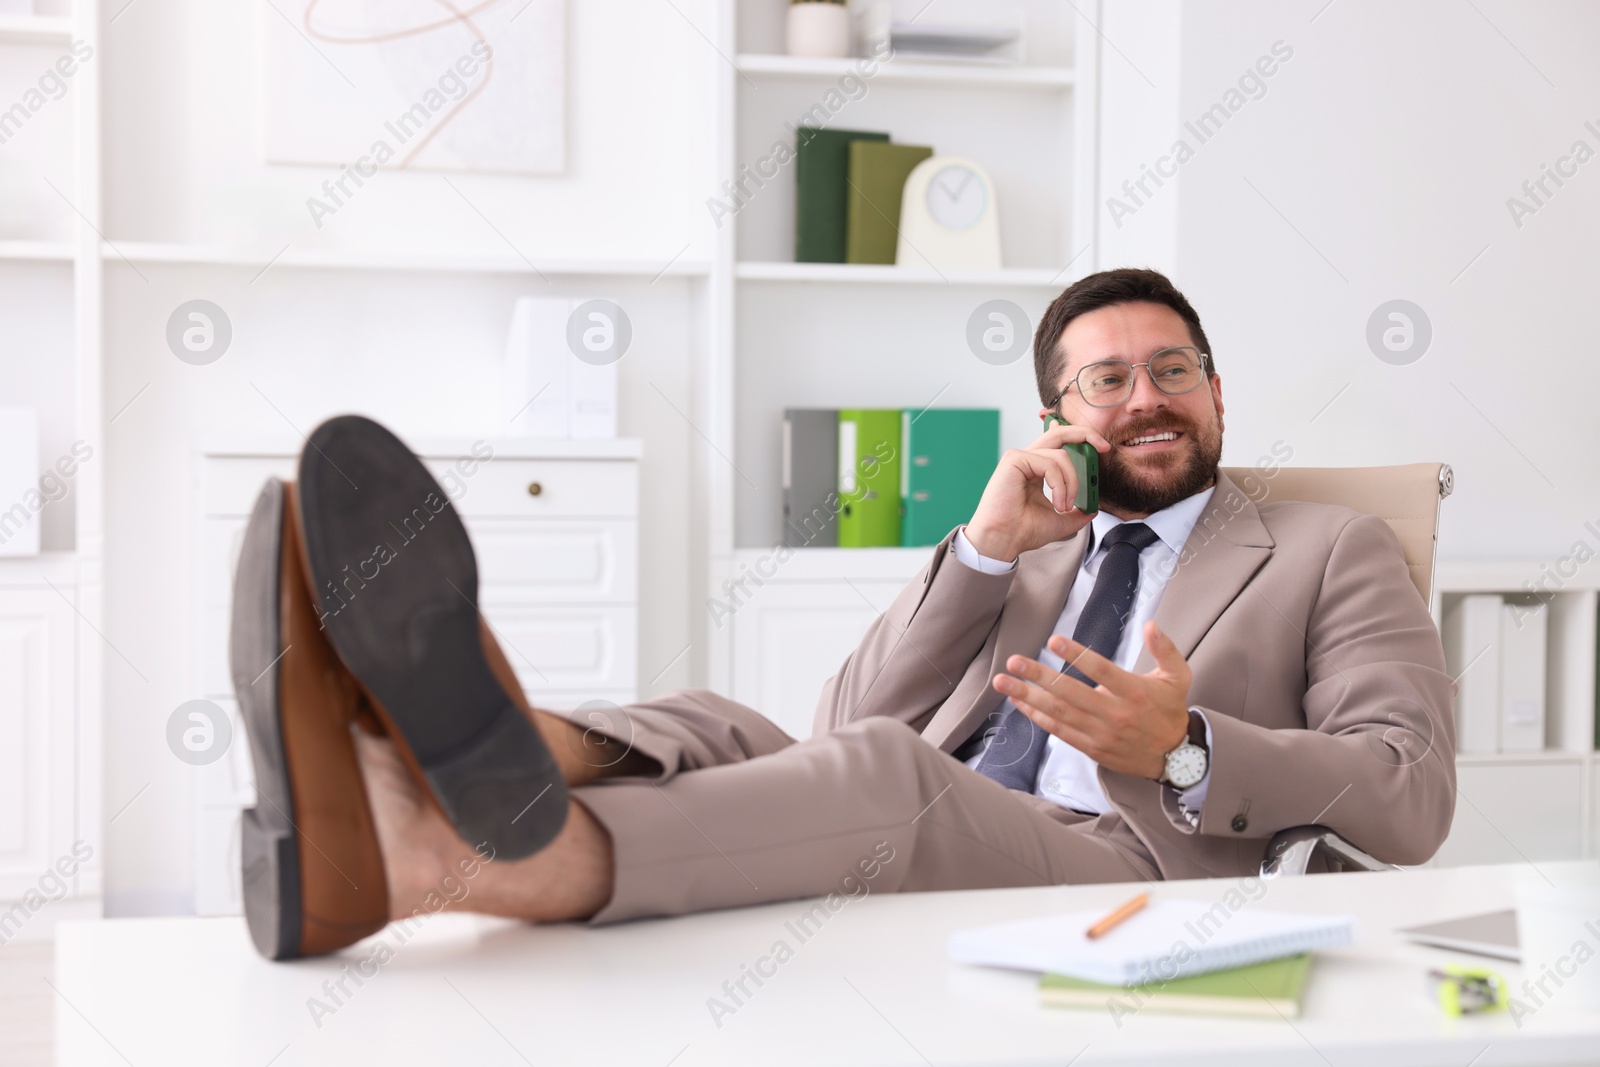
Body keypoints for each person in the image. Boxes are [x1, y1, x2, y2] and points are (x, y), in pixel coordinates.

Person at [233, 267, 1455, 961]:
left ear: (1215, 391)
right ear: (1057, 414)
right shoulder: (1030, 542)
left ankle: (434, 853)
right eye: (1108, 379)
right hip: (933, 808)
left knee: (881, 774)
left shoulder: (1323, 546)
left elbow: (1409, 795)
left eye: (1173, 369)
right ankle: (434, 754)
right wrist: (979, 552)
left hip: (1125, 862)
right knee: (718, 718)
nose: (1148, 399)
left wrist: (1183, 748)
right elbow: (844, 716)